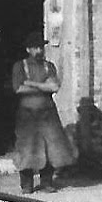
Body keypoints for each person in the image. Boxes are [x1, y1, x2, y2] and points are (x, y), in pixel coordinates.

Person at [11, 32, 77, 193]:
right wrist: (43, 85)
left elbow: (54, 87)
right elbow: (19, 88)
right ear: (28, 49)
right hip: (27, 114)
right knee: (27, 147)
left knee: (50, 146)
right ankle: (27, 184)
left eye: (40, 47)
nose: (39, 51)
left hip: (48, 113)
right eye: (35, 48)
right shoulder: (20, 66)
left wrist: (32, 83)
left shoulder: (49, 66)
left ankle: (46, 182)